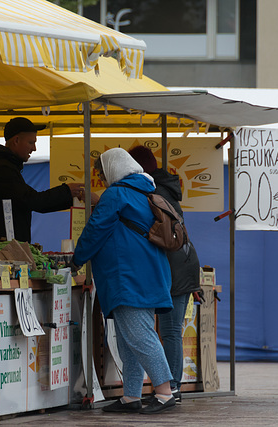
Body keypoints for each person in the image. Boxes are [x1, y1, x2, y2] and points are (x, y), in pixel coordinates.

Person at [71, 148, 176, 414]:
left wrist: (76, 258)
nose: (103, 179)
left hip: (129, 276)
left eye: (103, 173)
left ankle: (165, 391)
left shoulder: (117, 194)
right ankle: (131, 395)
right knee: (128, 338)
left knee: (139, 335)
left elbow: (96, 228)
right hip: (148, 273)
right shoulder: (146, 192)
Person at [128, 145, 202, 404]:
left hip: (175, 267)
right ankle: (171, 387)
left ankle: (172, 388)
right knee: (169, 331)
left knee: (170, 331)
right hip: (181, 263)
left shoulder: (153, 192)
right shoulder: (164, 188)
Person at [0, 117, 83, 242]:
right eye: (31, 143)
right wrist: (67, 192)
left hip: (4, 246)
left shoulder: (4, 166)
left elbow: (32, 201)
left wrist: (69, 196)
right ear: (16, 140)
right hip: (0, 250)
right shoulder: (2, 168)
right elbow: (32, 200)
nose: (34, 148)